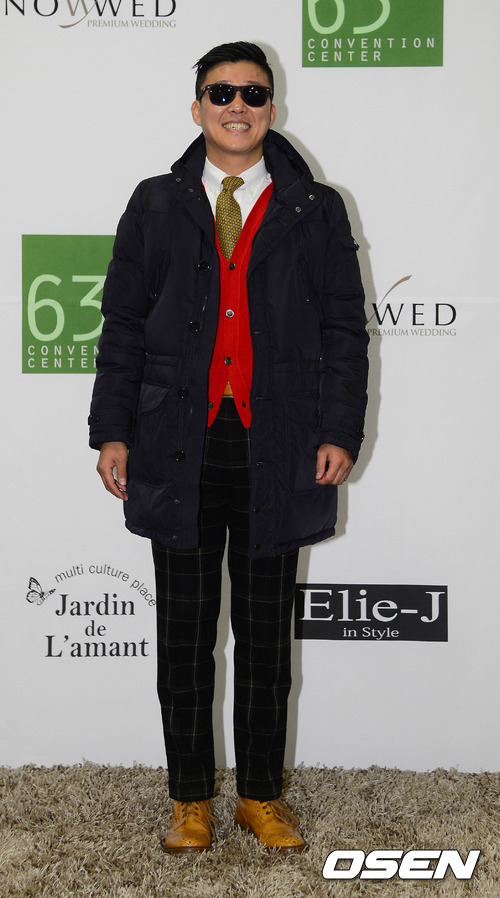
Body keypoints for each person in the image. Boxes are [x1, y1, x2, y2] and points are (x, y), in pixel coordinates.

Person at [89, 41, 368, 855]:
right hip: (175, 443)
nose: (236, 105)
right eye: (221, 93)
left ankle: (260, 797)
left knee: (265, 638)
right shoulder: (155, 203)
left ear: (271, 109)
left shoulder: (315, 207)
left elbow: (345, 331)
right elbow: (123, 325)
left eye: (251, 92)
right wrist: (112, 430)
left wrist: (338, 431)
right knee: (184, 637)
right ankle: (189, 801)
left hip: (278, 446)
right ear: (198, 108)